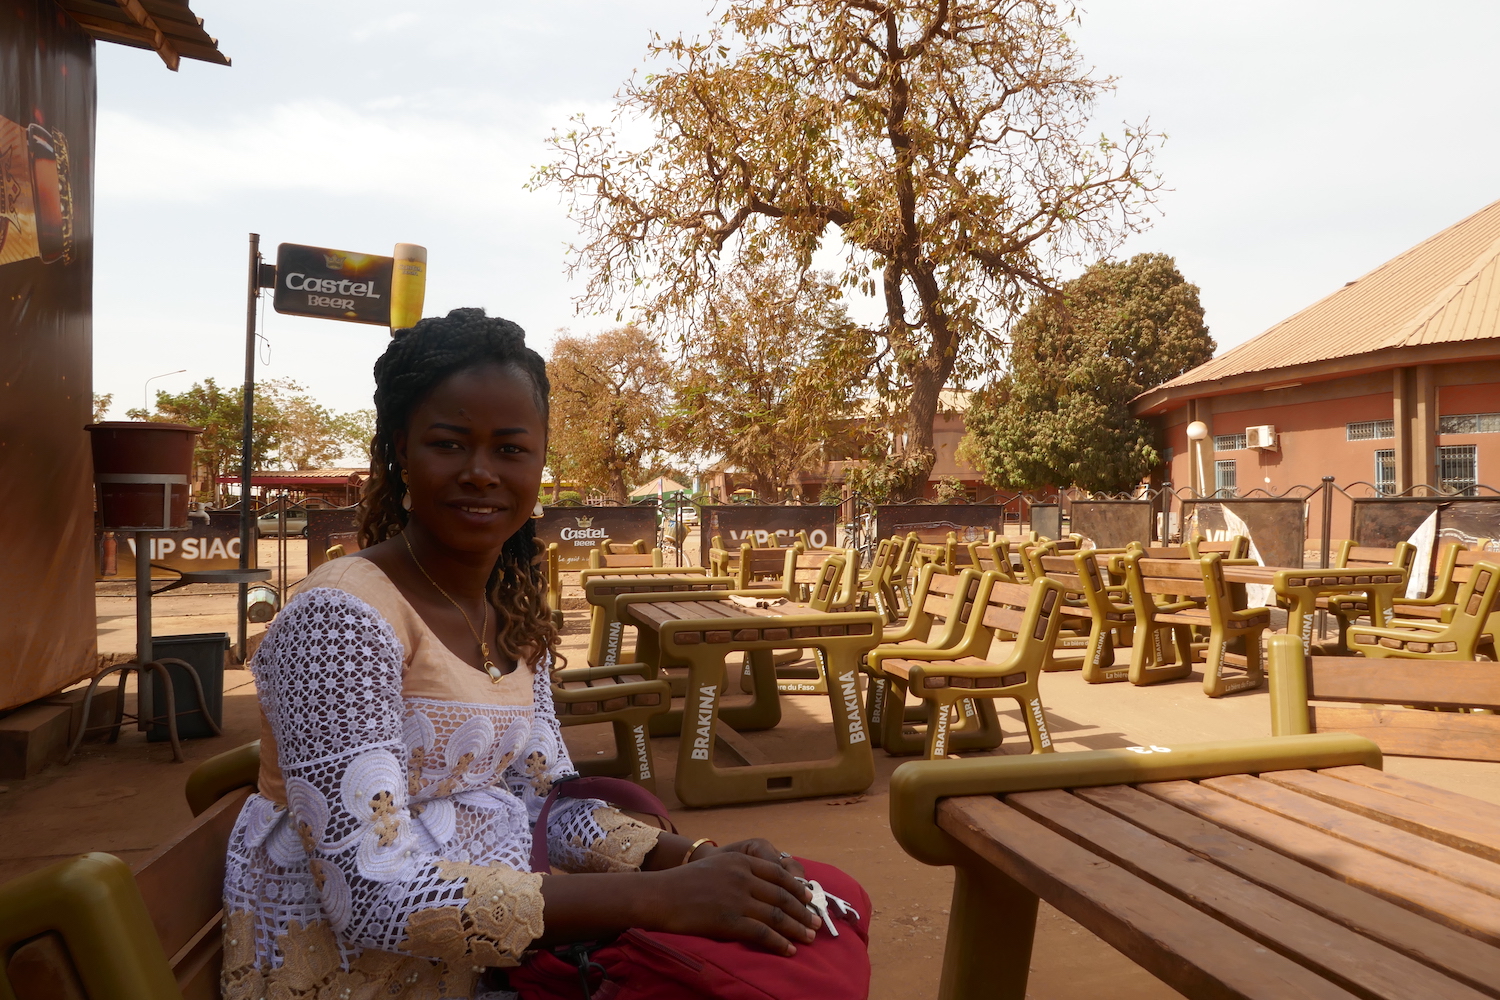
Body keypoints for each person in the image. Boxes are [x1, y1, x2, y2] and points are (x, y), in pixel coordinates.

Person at [221, 309, 857, 1000]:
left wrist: (698, 860)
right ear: (401, 449)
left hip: (499, 961)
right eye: (450, 443)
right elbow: (373, 896)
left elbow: (542, 809)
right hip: (365, 978)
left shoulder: (510, 613)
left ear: (541, 458)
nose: (481, 472)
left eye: (510, 449)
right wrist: (663, 898)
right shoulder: (342, 620)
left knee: (814, 913)